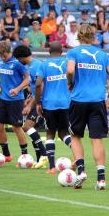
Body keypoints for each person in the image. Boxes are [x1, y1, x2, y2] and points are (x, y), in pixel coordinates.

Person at [66, 24, 109, 190]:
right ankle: (101, 179)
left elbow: (70, 70)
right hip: (97, 100)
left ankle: (81, 171)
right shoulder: (102, 55)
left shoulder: (73, 52)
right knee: (96, 139)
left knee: (75, 136)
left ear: (79, 37)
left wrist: (70, 84)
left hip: (79, 100)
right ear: (94, 37)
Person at [34, 41, 73, 174]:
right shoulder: (68, 62)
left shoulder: (43, 65)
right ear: (61, 52)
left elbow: (38, 84)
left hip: (49, 103)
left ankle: (51, 167)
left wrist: (38, 102)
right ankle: (76, 156)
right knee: (64, 132)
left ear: (49, 52)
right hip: (65, 103)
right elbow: (73, 78)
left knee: (50, 132)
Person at [0, 41, 30, 165]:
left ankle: (25, 156)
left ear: (10, 52)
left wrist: (17, 89)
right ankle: (6, 155)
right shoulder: (0, 61)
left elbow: (27, 79)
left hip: (15, 100)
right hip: (2, 99)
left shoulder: (18, 64)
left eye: (5, 56)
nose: (2, 58)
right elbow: (3, 76)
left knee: (16, 127)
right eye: (1, 55)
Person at [12, 45, 48, 168]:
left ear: (22, 57)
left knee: (27, 127)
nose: (18, 61)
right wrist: (29, 98)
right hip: (36, 100)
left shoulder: (35, 66)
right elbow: (33, 88)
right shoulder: (31, 65)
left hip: (41, 102)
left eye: (17, 59)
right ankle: (39, 160)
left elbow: (40, 87)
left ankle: (44, 154)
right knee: (34, 131)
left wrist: (31, 104)